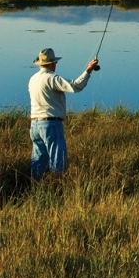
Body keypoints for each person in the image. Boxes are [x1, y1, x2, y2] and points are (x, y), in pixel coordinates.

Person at [28, 47, 99, 180]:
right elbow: (76, 86)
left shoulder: (33, 79)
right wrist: (88, 70)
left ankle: (35, 186)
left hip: (34, 125)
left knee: (38, 160)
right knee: (57, 160)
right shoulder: (51, 78)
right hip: (50, 124)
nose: (55, 65)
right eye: (55, 62)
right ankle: (57, 187)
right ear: (51, 64)